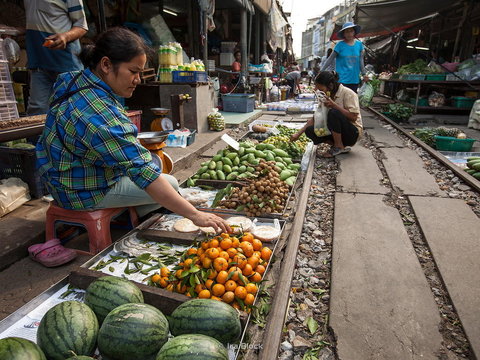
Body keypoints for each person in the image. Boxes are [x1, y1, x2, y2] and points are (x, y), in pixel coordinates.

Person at [32, 28, 230, 266]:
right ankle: (145, 221)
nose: (138, 79)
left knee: (158, 181)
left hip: (62, 179)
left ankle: (137, 214)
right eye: (133, 72)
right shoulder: (98, 114)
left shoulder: (75, 80)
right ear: (106, 64)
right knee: (169, 183)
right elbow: (145, 175)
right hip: (82, 191)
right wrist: (195, 215)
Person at [24, 0, 88, 115]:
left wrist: (65, 36)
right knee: (37, 108)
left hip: (67, 63)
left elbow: (81, 26)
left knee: (73, 109)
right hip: (38, 61)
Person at [290, 71, 363, 157]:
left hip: (352, 133)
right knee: (309, 130)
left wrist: (334, 105)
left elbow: (353, 117)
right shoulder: (326, 96)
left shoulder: (348, 93)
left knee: (333, 112)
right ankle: (338, 145)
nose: (320, 91)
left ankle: (338, 146)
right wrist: (298, 134)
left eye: (321, 89)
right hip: (337, 131)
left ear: (330, 86)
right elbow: (316, 117)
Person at [321, 22, 367, 93]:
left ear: (354, 32)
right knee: (340, 101)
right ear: (344, 34)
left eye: (351, 31)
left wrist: (364, 74)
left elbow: (361, 61)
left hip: (354, 79)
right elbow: (330, 59)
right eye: (347, 31)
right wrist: (321, 71)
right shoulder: (339, 45)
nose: (349, 33)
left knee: (351, 101)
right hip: (341, 80)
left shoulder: (359, 45)